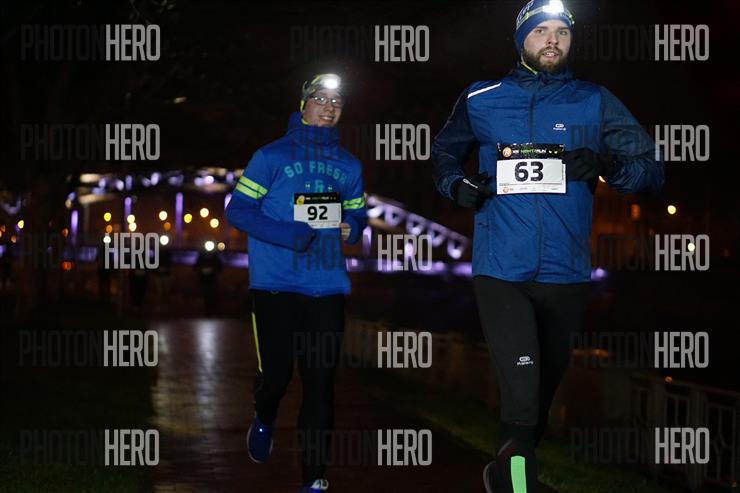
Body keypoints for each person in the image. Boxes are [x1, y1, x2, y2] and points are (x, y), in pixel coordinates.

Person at [431, 1, 664, 492]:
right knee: (521, 392)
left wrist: (606, 165)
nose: (552, 40)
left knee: (537, 401)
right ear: (522, 40)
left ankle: (503, 473)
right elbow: (444, 153)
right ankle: (519, 484)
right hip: (501, 270)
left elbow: (650, 167)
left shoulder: (594, 100)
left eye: (562, 32)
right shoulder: (482, 98)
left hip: (567, 273)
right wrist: (456, 185)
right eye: (541, 31)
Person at [225, 73, 367, 493]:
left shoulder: (349, 165)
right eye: (320, 99)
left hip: (327, 287)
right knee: (276, 377)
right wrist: (290, 234)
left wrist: (353, 227)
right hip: (276, 285)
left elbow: (357, 212)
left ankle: (314, 479)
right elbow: (238, 211)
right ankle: (265, 415)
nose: (329, 107)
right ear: (303, 105)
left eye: (337, 102)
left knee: (320, 386)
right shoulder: (270, 156)